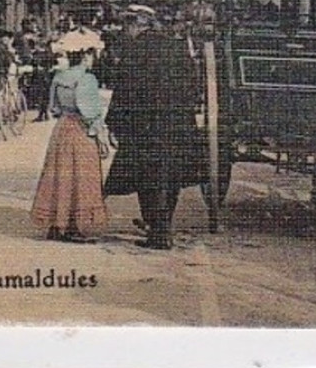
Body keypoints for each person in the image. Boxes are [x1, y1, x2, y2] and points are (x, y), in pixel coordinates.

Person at [102, 16, 206, 249]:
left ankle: (158, 232)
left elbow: (124, 90)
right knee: (171, 175)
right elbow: (194, 85)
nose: (126, 32)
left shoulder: (134, 49)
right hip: (177, 125)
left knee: (148, 177)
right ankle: (162, 224)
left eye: (127, 27)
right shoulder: (178, 47)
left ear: (137, 26)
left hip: (145, 127)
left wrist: (115, 124)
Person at [30, 31, 111, 242]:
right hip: (80, 130)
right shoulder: (86, 79)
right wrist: (99, 134)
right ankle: (73, 225)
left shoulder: (59, 77)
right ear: (85, 55)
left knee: (59, 175)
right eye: (92, 54)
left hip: (62, 128)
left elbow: (53, 107)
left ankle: (57, 224)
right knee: (80, 176)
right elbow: (89, 112)